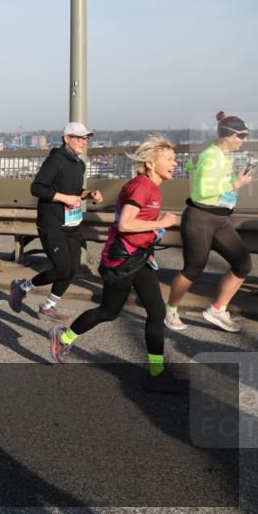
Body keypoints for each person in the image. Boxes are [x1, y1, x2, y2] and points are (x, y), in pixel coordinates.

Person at [50, 137, 186, 393]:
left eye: (174, 158)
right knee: (108, 312)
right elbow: (125, 224)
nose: (174, 163)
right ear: (150, 163)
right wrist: (161, 223)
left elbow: (135, 224)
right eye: (168, 159)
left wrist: (149, 245)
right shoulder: (141, 187)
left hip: (139, 257)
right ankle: (63, 336)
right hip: (122, 260)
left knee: (157, 313)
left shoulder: (152, 187)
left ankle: (156, 375)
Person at [164, 113, 253, 333]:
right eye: (241, 136)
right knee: (193, 269)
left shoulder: (221, 155)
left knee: (243, 264)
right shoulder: (211, 156)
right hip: (200, 218)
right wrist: (237, 184)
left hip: (220, 219)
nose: (243, 140)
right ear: (229, 135)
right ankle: (170, 311)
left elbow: (203, 176)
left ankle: (217, 309)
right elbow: (203, 192)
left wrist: (234, 179)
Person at [9, 123, 103, 323]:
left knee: (72, 268)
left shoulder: (79, 164)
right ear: (66, 139)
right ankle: (22, 287)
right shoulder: (56, 160)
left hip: (71, 224)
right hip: (51, 224)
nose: (83, 142)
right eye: (79, 138)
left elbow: (75, 192)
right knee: (63, 269)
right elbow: (37, 188)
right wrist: (64, 198)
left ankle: (47, 305)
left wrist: (88, 194)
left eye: (86, 138)